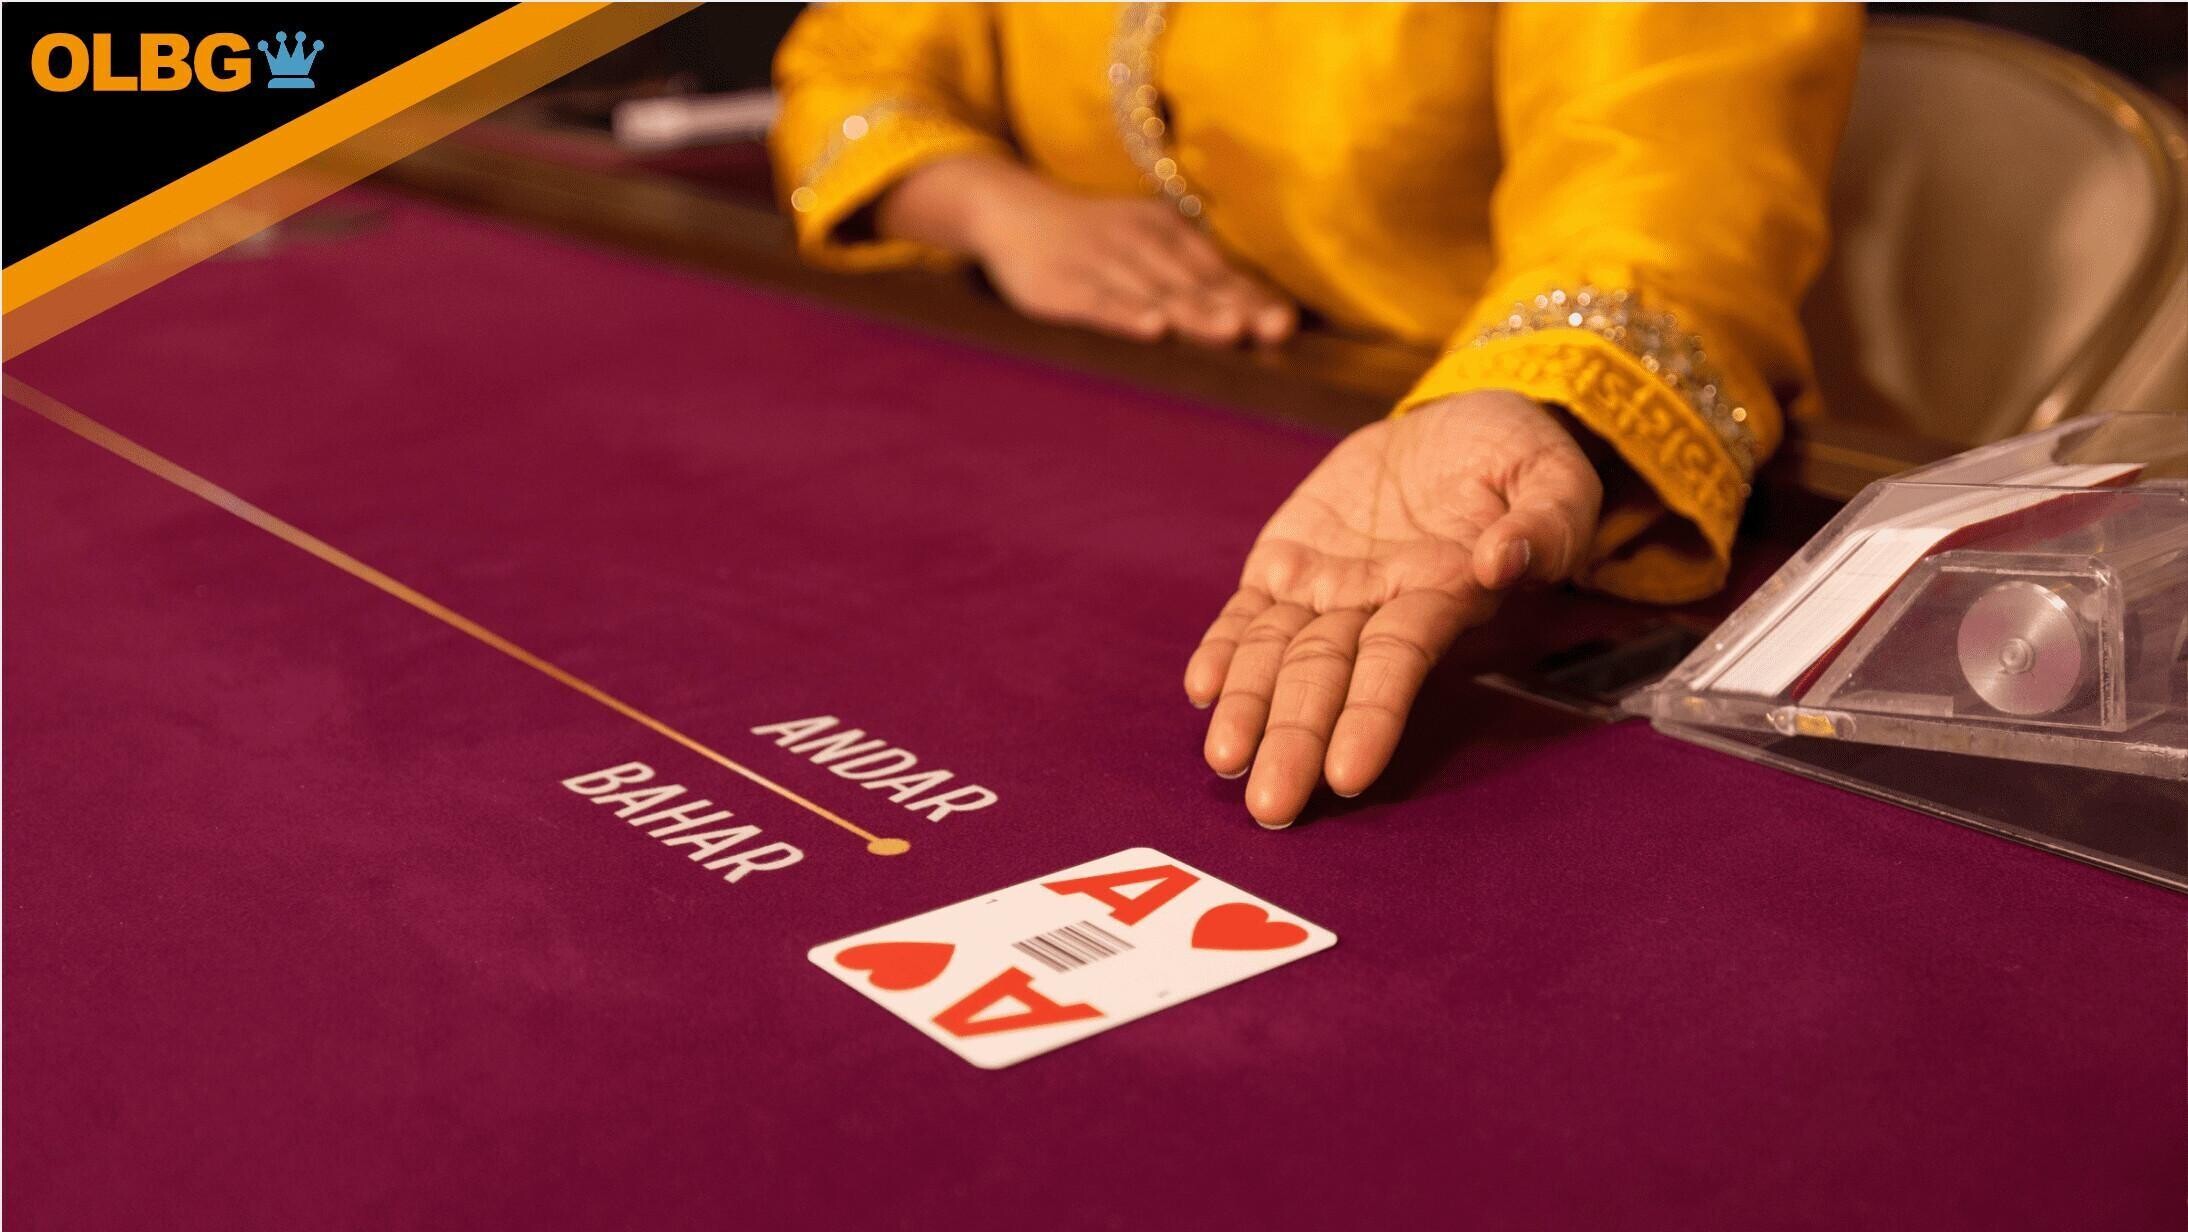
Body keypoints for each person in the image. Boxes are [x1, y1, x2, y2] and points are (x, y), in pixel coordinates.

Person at [768, 3, 1863, 828]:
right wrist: (997, 209)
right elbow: (848, 65)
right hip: (1132, 422)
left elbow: (1665, 170)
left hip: (1503, 444)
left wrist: (1529, 389)